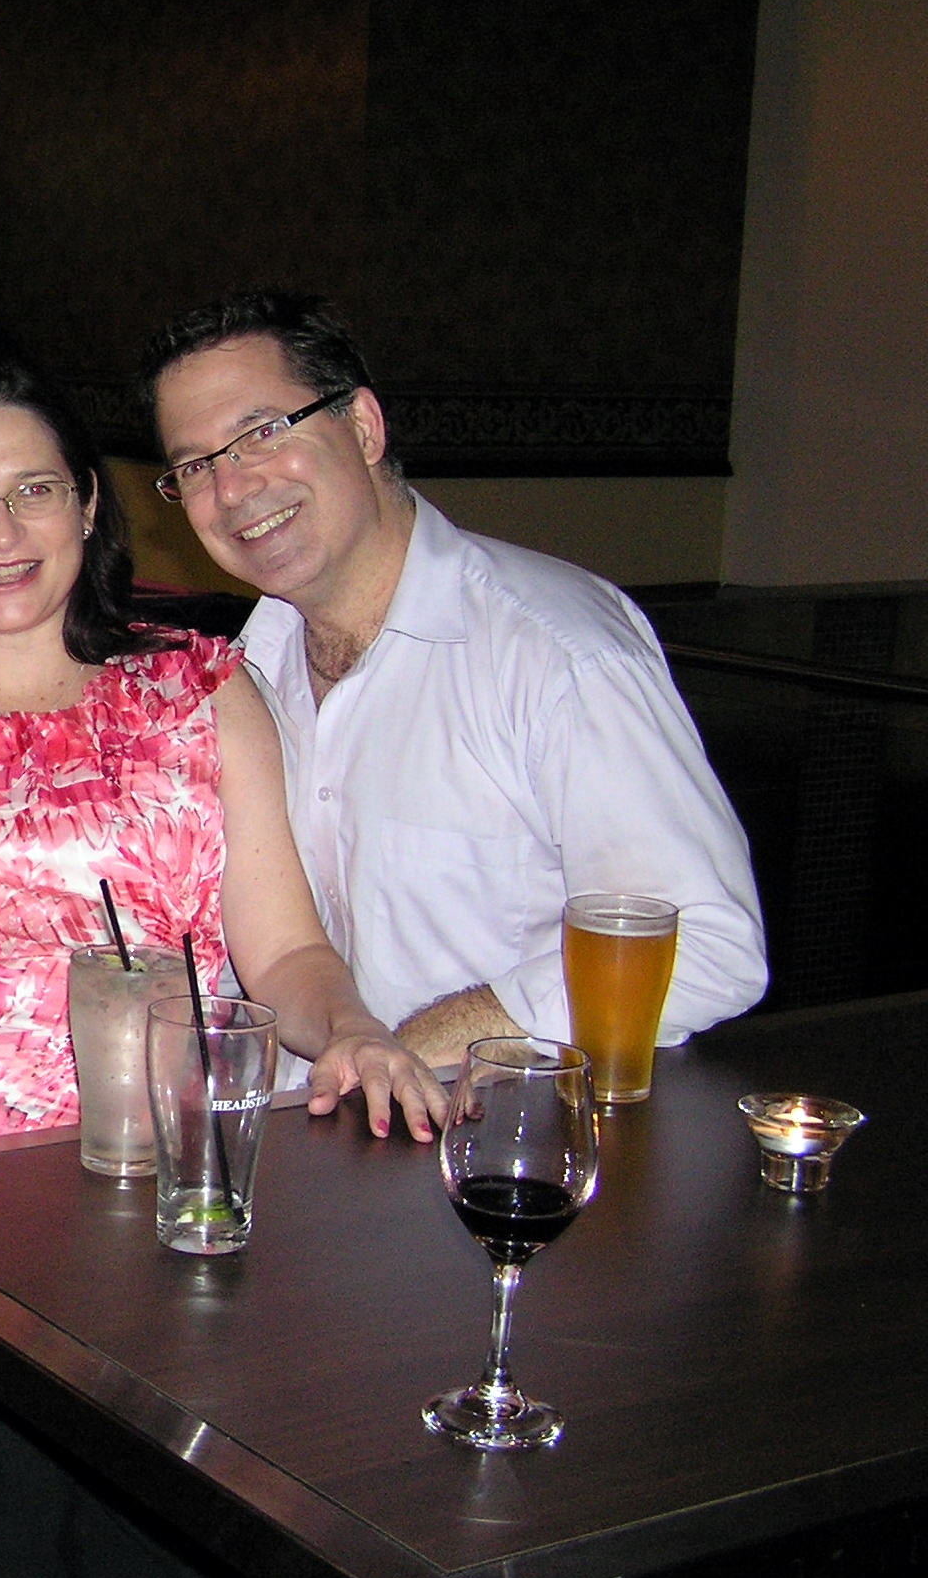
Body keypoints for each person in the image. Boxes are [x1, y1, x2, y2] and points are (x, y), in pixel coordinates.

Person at [0, 357, 442, 1578]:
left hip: (172, 1208)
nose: (3, 531)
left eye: (34, 489)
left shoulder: (197, 686)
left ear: (89, 503)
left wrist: (354, 1029)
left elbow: (285, 950)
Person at [141, 291, 768, 1068]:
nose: (232, 489)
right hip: (302, 1130)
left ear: (362, 427)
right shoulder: (237, 678)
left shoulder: (553, 651)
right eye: (195, 466)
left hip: (506, 1129)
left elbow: (703, 944)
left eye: (261, 434)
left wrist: (418, 1050)